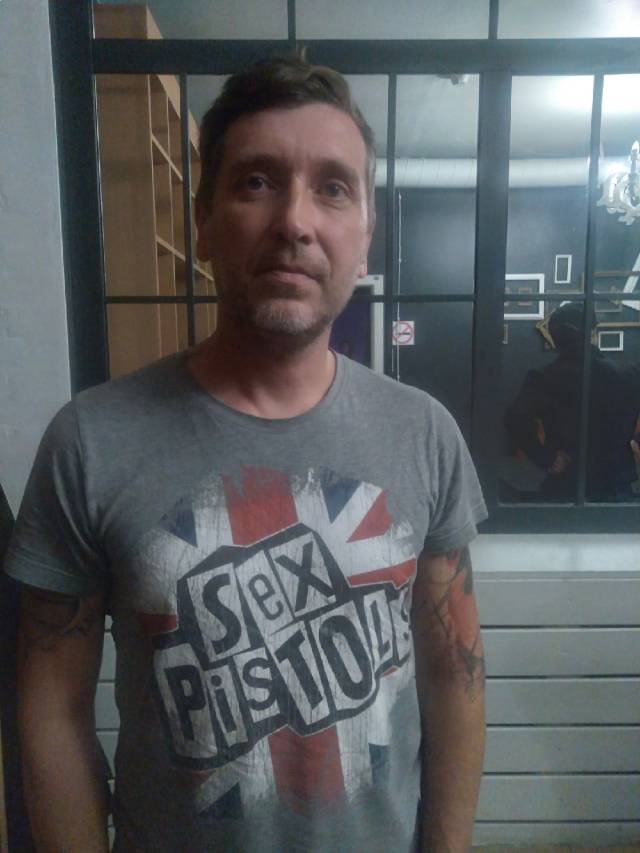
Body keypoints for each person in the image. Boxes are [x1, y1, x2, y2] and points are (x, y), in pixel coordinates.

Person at [5, 54, 487, 853]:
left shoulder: (424, 433)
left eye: (333, 188)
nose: (295, 221)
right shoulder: (90, 442)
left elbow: (454, 679)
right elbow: (51, 709)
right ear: (203, 220)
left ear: (365, 237)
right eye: (257, 181)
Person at [504, 301, 640, 501]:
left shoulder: (544, 378)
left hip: (567, 482)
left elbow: (515, 418)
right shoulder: (628, 374)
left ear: (556, 340)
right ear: (592, 333)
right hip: (616, 484)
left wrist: (547, 458)